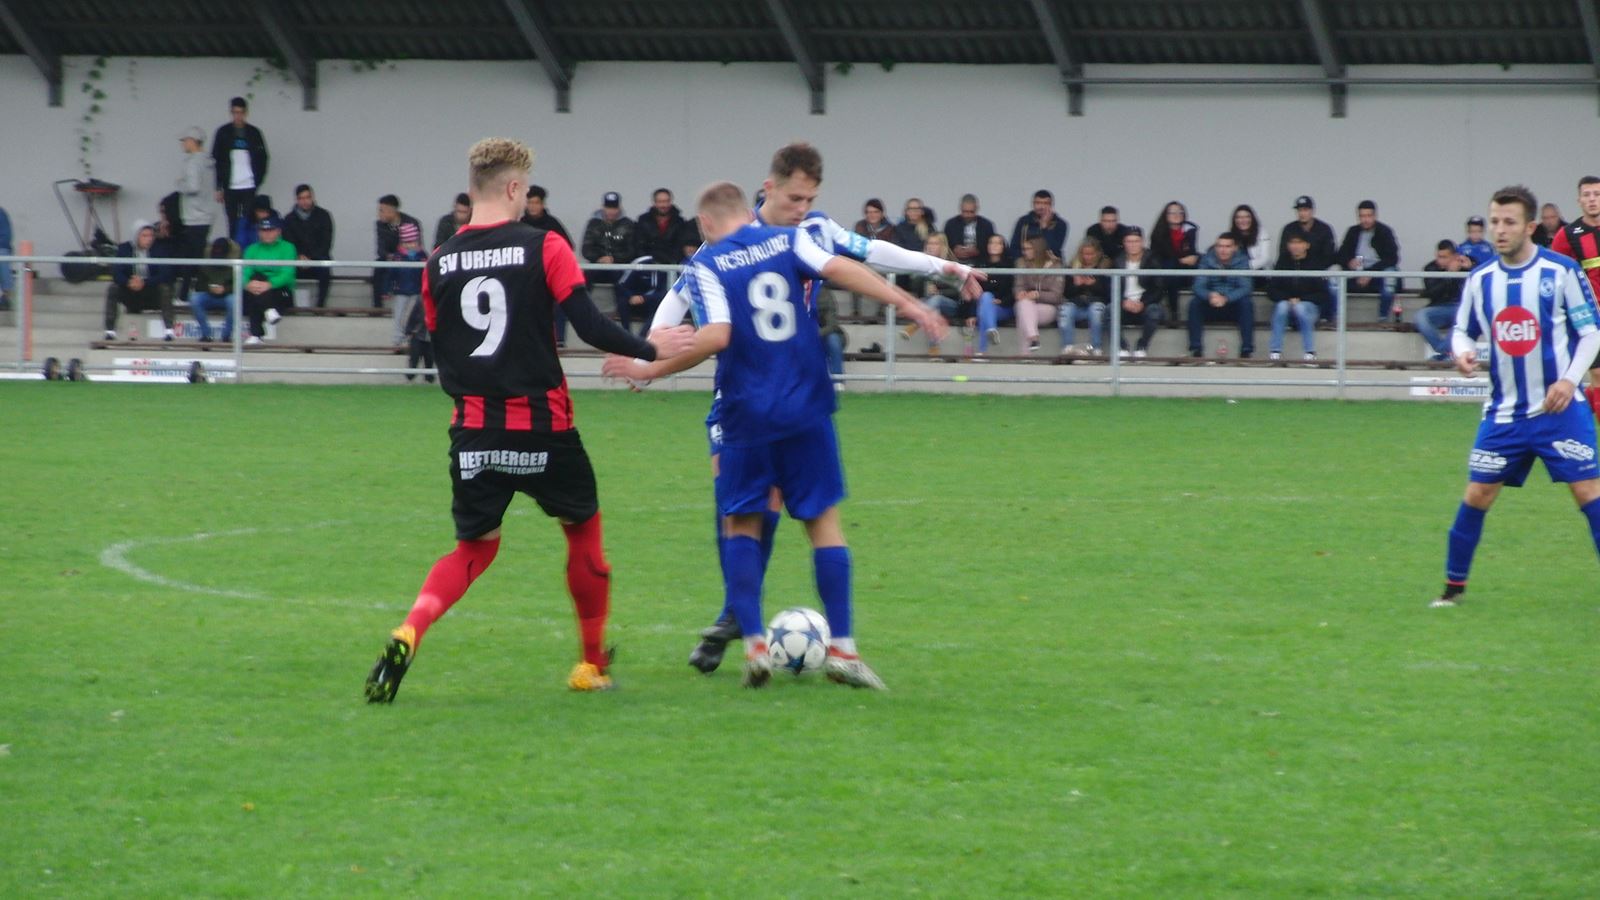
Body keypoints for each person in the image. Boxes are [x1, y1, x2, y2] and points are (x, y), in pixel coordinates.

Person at [363, 137, 696, 703]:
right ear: (515, 187)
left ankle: (410, 630)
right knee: (583, 532)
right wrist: (650, 349)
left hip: (473, 431)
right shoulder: (545, 245)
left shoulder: (438, 261)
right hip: (544, 427)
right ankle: (590, 664)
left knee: (473, 550)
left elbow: (441, 345)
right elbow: (588, 323)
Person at [636, 143, 981, 675]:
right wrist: (650, 347)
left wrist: (942, 265)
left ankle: (741, 621)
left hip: (777, 391)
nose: (802, 208)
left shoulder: (810, 230)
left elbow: (869, 251)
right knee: (744, 508)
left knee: (755, 507)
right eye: (795, 198)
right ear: (768, 189)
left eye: (810, 199)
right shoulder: (738, 238)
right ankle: (740, 614)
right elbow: (678, 300)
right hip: (748, 393)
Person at [1429, 185, 1600, 608]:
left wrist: (1569, 380)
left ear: (1530, 227)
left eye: (1509, 222)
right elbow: (1462, 329)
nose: (1500, 230)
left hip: (1561, 410)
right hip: (1505, 413)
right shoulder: (1481, 279)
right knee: (1477, 495)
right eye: (1494, 221)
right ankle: (1452, 590)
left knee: (1588, 493)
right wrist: (1461, 351)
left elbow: (1591, 333)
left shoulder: (1560, 271)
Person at [1549, 176, 1600, 417]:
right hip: (1590, 316)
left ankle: (1578, 410)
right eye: (1587, 195)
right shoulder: (1567, 235)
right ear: (1579, 200)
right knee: (1598, 373)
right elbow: (1555, 273)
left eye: (1597, 194)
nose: (1592, 199)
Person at [103, 220, 176, 341]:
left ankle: (169, 330)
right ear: (136, 236)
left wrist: (144, 282)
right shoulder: (124, 249)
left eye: (151, 236)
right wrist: (129, 282)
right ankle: (110, 331)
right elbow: (116, 272)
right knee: (113, 288)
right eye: (144, 236)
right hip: (131, 291)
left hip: (151, 292)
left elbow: (166, 274)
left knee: (165, 288)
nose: (149, 239)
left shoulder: (160, 249)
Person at [1187, 231, 1254, 358]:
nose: (1223, 250)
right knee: (1194, 304)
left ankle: (1246, 350)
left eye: (1227, 246)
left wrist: (1226, 298)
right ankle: (1196, 349)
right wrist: (1210, 295)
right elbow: (1198, 285)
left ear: (1235, 248)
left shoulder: (1242, 260)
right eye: (1220, 246)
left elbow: (1246, 287)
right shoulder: (1206, 259)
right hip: (1211, 304)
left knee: (1246, 304)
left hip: (1232, 305)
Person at [1264, 231, 1326, 362]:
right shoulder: (1282, 262)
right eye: (1292, 243)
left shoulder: (1316, 263)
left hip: (1309, 307)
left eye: (1299, 242)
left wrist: (1301, 300)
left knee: (1300, 308)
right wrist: (1288, 298)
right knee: (1281, 306)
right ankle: (1275, 352)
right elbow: (1271, 289)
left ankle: (1310, 352)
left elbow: (1322, 293)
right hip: (1287, 305)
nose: (1295, 246)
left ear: (1307, 245)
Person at [899, 233, 965, 355]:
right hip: (930, 303)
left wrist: (939, 291)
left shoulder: (952, 265)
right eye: (929, 243)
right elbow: (914, 286)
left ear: (943, 246)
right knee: (931, 307)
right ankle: (934, 348)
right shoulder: (924, 262)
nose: (931, 246)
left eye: (935, 244)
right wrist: (924, 267)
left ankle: (916, 324)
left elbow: (958, 291)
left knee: (936, 299)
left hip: (951, 304)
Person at [1277, 195, 1339, 322]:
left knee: (1333, 283)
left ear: (1312, 211)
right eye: (1300, 210)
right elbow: (1283, 253)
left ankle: (1328, 317)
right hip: (1294, 268)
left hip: (1319, 270)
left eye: (1305, 210)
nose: (1302, 213)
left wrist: (1314, 268)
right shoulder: (1289, 228)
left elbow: (1330, 255)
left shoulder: (1324, 229)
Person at [210, 97, 268, 231]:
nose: (238, 116)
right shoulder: (223, 132)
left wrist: (258, 180)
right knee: (232, 222)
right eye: (235, 112)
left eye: (241, 112)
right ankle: (233, 244)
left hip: (249, 185)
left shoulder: (254, 133)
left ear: (246, 113)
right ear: (231, 113)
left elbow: (263, 158)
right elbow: (217, 160)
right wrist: (219, 187)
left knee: (249, 220)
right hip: (230, 186)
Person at [1337, 200, 1401, 320]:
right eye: (1362, 216)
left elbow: (1392, 258)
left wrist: (1371, 273)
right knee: (1333, 279)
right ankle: (1336, 319)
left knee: (1390, 276)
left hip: (1378, 275)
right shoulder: (1352, 231)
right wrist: (1349, 262)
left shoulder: (1384, 231)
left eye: (1369, 216)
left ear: (1375, 216)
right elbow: (1340, 254)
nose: (1365, 220)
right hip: (1356, 274)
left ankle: (1382, 318)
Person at [175, 126, 217, 298]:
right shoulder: (208, 161)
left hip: (194, 216)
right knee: (198, 256)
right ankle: (197, 291)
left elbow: (193, 187)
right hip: (205, 214)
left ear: (193, 141)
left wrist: (180, 184)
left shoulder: (193, 162)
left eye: (185, 140)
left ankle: (187, 294)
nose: (183, 144)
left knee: (191, 258)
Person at [240, 215, 296, 344]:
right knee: (255, 283)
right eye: (263, 230)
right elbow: (245, 272)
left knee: (257, 289)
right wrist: (247, 284)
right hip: (257, 289)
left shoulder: (288, 247)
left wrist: (270, 284)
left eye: (270, 230)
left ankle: (256, 334)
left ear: (278, 231)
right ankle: (269, 310)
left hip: (281, 291)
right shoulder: (252, 249)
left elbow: (287, 274)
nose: (267, 233)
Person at [1113, 227, 1166, 358]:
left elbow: (1158, 288)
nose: (1133, 245)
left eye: (1136, 241)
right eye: (1129, 241)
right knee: (1109, 310)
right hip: (1124, 305)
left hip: (1145, 305)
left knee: (1155, 311)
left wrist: (1143, 303)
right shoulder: (1117, 260)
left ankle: (1141, 346)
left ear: (1142, 242)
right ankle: (1121, 347)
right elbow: (1110, 287)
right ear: (1124, 243)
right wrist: (1123, 301)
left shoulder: (1153, 259)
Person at [1413, 239, 1468, 361]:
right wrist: (1449, 274)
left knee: (1464, 316)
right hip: (1439, 307)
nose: (1440, 260)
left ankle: (1444, 354)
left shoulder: (1465, 266)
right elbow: (1433, 293)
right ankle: (1445, 351)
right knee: (1420, 316)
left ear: (1454, 257)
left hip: (1460, 308)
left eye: (1444, 257)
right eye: (1438, 256)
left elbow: (1479, 285)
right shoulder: (1430, 268)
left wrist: (1471, 267)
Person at [281, 184, 335, 308]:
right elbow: (288, 243)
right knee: (284, 270)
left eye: (307, 197)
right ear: (296, 200)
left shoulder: (324, 216)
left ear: (313, 197)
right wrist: (298, 256)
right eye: (301, 198)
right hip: (296, 261)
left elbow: (326, 243)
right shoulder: (289, 219)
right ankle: (289, 306)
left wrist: (310, 258)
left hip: (317, 260)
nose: (305, 201)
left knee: (325, 268)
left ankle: (320, 307)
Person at [1012, 234, 1065, 354]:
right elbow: (1018, 286)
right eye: (1023, 249)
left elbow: (1057, 296)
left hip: (1049, 307)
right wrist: (1020, 293)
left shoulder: (1055, 266)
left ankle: (1025, 355)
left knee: (1023, 313)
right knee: (1023, 306)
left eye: (1028, 249)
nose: (1024, 252)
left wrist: (1038, 295)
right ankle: (1033, 338)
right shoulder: (1022, 263)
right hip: (1026, 305)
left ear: (1037, 249)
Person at [1058, 237, 1111, 356]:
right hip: (1076, 305)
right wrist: (1076, 285)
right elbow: (1066, 293)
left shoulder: (1104, 267)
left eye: (1091, 254)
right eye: (1085, 254)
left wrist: (1093, 284)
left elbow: (1108, 294)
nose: (1088, 257)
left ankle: (1096, 347)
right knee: (1065, 310)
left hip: (1096, 304)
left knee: (1096, 312)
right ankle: (1067, 347)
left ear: (1097, 253)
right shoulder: (1073, 267)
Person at [1148, 201, 1200, 318]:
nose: (1177, 215)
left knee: (1201, 261)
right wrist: (1181, 260)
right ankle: (1174, 312)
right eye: (1172, 212)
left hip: (1186, 271)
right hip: (1166, 272)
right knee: (1171, 269)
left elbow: (1191, 253)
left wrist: (1192, 258)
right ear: (1165, 215)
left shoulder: (1190, 229)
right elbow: (1161, 256)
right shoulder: (1158, 233)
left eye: (1180, 212)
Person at [581, 191, 637, 289]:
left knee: (624, 281)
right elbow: (586, 249)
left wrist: (613, 259)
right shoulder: (593, 224)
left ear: (619, 208)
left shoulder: (628, 224)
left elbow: (631, 250)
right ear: (603, 207)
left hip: (620, 267)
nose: (611, 211)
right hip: (597, 265)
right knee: (582, 279)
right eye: (608, 208)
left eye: (614, 208)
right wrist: (600, 258)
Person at [375, 194, 422, 309]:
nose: (379, 214)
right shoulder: (380, 224)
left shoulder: (411, 222)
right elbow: (381, 248)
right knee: (378, 267)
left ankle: (417, 305)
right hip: (390, 258)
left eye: (382, 210)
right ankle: (377, 306)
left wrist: (402, 255)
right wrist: (391, 257)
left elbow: (417, 246)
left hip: (408, 258)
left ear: (392, 211)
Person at [189, 236, 240, 342]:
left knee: (234, 301)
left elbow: (239, 284)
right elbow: (198, 285)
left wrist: (225, 289)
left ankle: (226, 335)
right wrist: (209, 288)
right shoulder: (206, 263)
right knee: (194, 299)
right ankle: (206, 334)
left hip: (227, 296)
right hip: (209, 295)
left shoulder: (236, 264)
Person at [974, 233, 1015, 357]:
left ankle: (982, 351)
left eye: (998, 243)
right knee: (986, 299)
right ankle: (991, 329)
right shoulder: (980, 264)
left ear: (1003, 247)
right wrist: (970, 314)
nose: (994, 245)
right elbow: (974, 290)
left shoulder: (1010, 265)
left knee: (984, 310)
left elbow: (1014, 291)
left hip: (1004, 307)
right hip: (984, 304)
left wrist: (1001, 301)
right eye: (991, 242)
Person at [387, 222, 426, 346]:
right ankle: (398, 338)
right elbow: (391, 274)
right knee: (399, 314)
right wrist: (388, 289)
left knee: (412, 314)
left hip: (416, 290)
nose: (411, 245)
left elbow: (426, 273)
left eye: (413, 242)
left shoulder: (422, 256)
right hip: (401, 290)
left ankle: (410, 337)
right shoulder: (397, 257)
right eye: (407, 242)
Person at [636, 188, 692, 265]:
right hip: (648, 265)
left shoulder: (679, 222)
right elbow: (639, 245)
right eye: (660, 202)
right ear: (654, 202)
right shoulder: (643, 221)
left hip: (672, 265)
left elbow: (680, 246)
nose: (664, 205)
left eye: (666, 201)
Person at [1008, 189, 1068, 259]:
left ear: (1051, 205)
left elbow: (1054, 249)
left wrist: (1044, 228)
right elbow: (1013, 248)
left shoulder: (1060, 224)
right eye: (1038, 203)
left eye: (1046, 203)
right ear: (1033, 204)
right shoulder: (1023, 222)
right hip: (1025, 262)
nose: (1041, 207)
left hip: (1050, 263)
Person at [942, 193, 996, 264]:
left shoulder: (986, 225)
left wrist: (978, 250)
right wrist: (954, 250)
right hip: (955, 262)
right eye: (965, 212)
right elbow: (944, 245)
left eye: (971, 212)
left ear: (977, 209)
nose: (968, 215)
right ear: (960, 208)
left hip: (981, 263)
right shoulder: (951, 224)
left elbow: (993, 246)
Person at [1231, 204, 1272, 273]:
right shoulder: (1231, 235)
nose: (1243, 220)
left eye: (1247, 217)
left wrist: (1244, 266)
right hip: (1237, 273)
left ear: (1252, 218)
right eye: (1239, 217)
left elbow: (1265, 258)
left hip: (1259, 272)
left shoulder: (1262, 233)